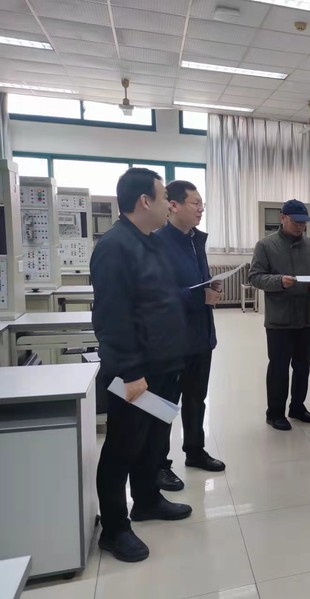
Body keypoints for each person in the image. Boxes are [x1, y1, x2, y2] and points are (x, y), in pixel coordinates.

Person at [91, 168, 192, 563]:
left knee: (152, 441)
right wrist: (131, 373)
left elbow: (158, 300)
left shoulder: (149, 241)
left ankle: (147, 500)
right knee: (123, 447)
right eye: (164, 197)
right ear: (144, 201)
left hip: (163, 365)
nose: (169, 204)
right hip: (135, 372)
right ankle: (115, 529)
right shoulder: (115, 247)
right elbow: (112, 319)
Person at [153, 180, 226, 493]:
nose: (201, 209)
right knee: (164, 403)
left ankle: (195, 451)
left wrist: (210, 287)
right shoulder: (157, 242)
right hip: (171, 340)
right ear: (173, 205)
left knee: (197, 399)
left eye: (202, 203)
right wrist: (199, 296)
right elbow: (158, 294)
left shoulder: (197, 240)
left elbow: (194, 283)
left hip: (200, 336)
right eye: (195, 203)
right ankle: (158, 464)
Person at [248, 199, 310, 431]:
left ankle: (297, 407)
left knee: (303, 366)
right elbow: (255, 277)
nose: (301, 226)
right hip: (280, 319)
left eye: (304, 222)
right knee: (279, 368)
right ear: (282, 218)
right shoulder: (266, 245)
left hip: (306, 316)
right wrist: (279, 281)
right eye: (296, 221)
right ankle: (274, 413)